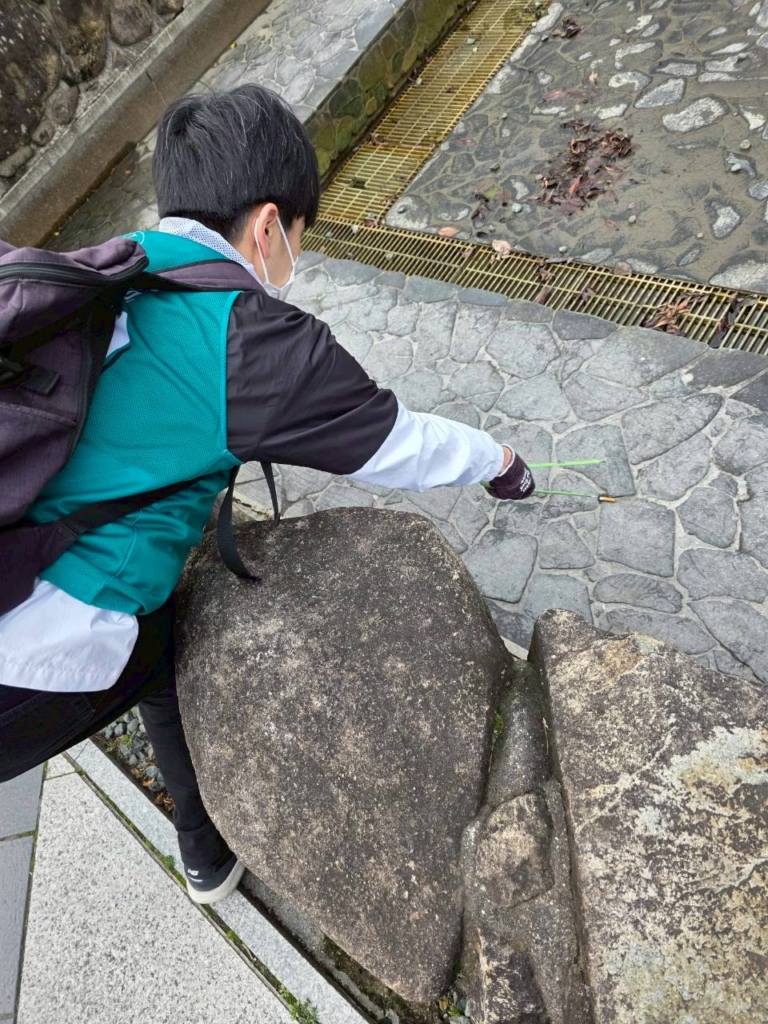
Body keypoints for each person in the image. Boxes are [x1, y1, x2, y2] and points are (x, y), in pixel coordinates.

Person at [0, 85, 534, 905]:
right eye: (301, 237)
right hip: (29, 643)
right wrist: (499, 460)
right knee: (154, 651)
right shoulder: (254, 344)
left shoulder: (120, 263)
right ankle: (205, 849)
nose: (295, 257)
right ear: (269, 225)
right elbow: (396, 443)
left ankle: (204, 852)